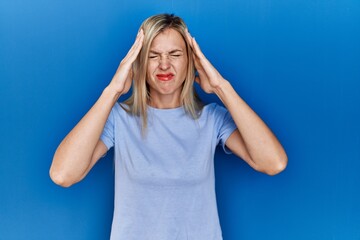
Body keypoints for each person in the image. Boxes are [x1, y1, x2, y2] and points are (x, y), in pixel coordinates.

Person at [50, 13, 287, 240]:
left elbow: (273, 162)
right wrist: (112, 92)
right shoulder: (118, 119)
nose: (164, 64)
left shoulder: (212, 119)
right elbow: (63, 175)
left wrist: (220, 87)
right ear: (139, 63)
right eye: (153, 56)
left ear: (190, 62)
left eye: (174, 54)